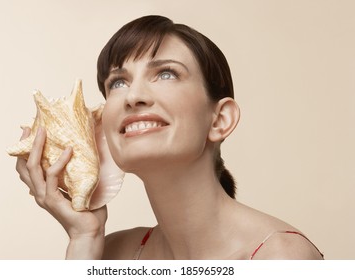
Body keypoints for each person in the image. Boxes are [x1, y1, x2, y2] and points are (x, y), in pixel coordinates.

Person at [16, 15, 324, 260]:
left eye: (166, 74)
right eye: (118, 82)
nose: (133, 96)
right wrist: (84, 239)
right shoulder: (111, 255)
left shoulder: (279, 258)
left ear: (220, 119)